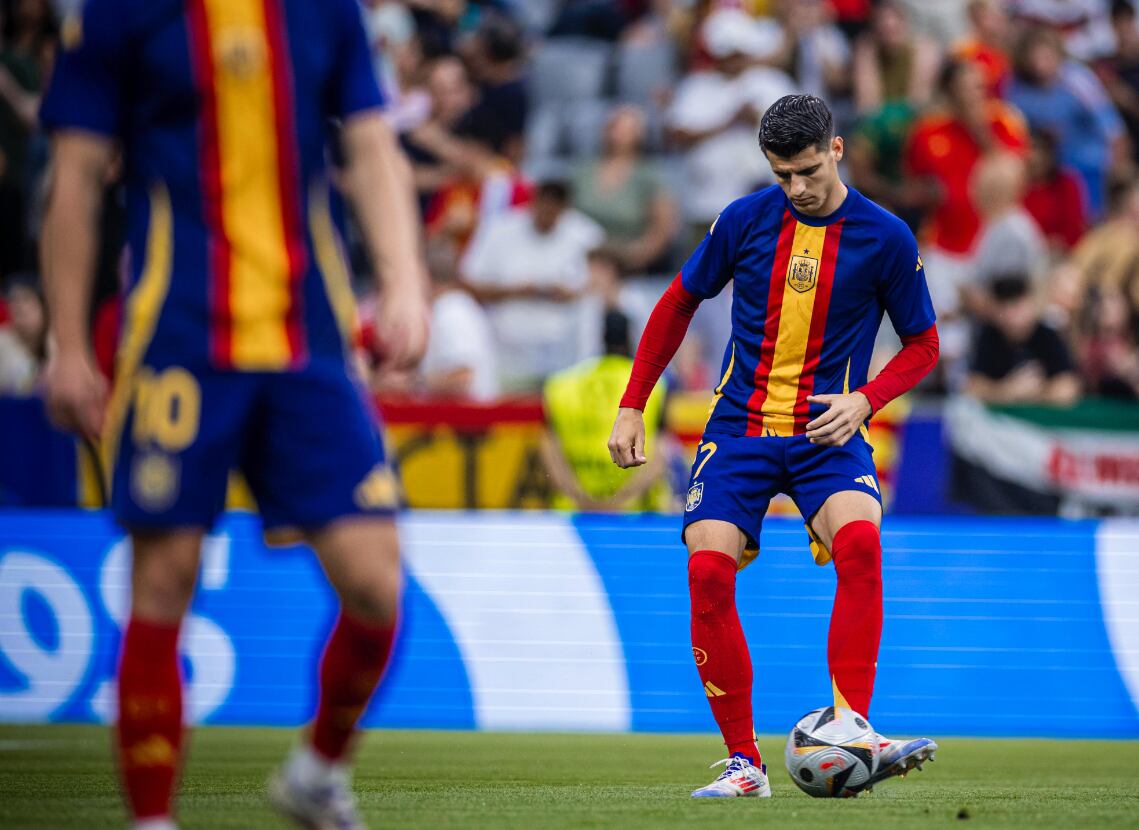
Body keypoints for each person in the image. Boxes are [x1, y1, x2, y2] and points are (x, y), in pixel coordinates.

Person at [38, 2, 429, 829]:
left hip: (310, 343)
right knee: (164, 579)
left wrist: (403, 282)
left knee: (374, 584)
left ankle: (317, 774)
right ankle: (152, 821)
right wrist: (67, 343)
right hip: (176, 339)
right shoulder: (120, 14)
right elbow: (73, 175)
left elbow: (369, 143)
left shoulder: (325, 13)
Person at [607, 94, 940, 799]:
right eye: (781, 174)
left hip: (829, 431)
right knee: (705, 574)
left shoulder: (884, 237)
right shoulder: (742, 219)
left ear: (837, 150)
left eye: (807, 170)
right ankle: (743, 765)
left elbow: (923, 345)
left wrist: (864, 401)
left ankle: (854, 726)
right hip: (738, 429)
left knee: (859, 545)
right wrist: (633, 403)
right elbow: (676, 303)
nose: (795, 188)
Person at [461, 180, 604, 390]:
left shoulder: (586, 234)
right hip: (508, 350)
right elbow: (468, 282)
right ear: (534, 202)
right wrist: (515, 291)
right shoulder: (500, 229)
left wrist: (571, 293)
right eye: (544, 207)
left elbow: (603, 284)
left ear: (565, 209)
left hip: (565, 354)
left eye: (554, 211)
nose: (547, 215)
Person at [542, 309, 667, 512]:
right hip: (633, 514)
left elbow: (549, 450)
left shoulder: (561, 385)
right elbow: (661, 453)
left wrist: (581, 499)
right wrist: (619, 501)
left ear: (601, 337)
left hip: (574, 511)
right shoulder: (654, 385)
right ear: (632, 337)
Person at [571, 105, 679, 275]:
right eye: (614, 126)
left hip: (626, 262)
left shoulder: (649, 176)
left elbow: (663, 228)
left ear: (640, 135)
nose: (618, 134)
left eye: (627, 128)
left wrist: (635, 258)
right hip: (578, 258)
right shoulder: (582, 172)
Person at [966, 274, 1080, 405]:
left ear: (1031, 304)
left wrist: (1033, 393)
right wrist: (1007, 390)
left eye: (1017, 306)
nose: (1011, 316)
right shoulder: (989, 336)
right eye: (1004, 308)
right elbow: (972, 386)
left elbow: (1068, 387)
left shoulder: (1048, 336)